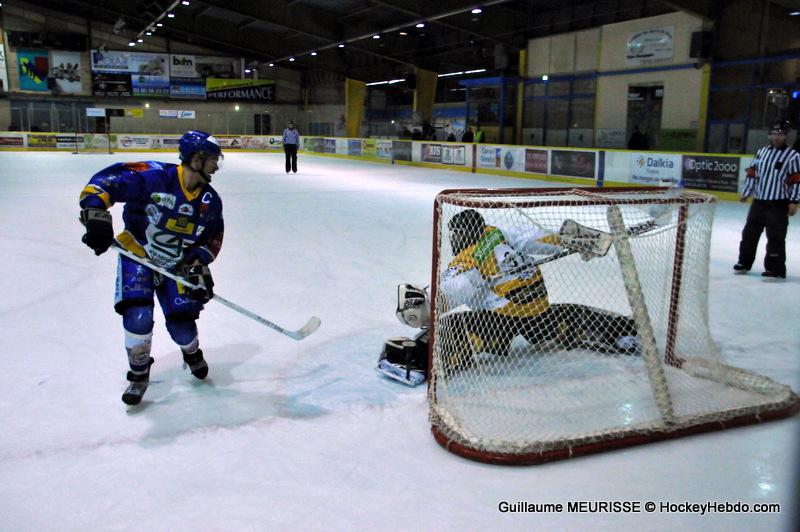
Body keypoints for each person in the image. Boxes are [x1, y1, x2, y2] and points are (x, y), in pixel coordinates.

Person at [378, 209, 640, 385]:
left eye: (457, 235)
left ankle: (421, 362)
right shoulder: (499, 232)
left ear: (466, 234)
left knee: (450, 325)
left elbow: (456, 291)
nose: (455, 239)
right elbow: (538, 239)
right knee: (567, 312)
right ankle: (622, 332)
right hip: (537, 310)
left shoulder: (467, 260)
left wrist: (422, 309)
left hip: (503, 320)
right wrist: (570, 240)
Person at [79, 130, 224, 405]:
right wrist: (96, 212)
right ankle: (138, 372)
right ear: (196, 160)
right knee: (138, 315)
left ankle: (191, 351)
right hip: (138, 254)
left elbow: (213, 236)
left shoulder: (210, 202)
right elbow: (106, 182)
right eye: (213, 160)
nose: (216, 166)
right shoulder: (153, 175)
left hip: (175, 264)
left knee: (182, 326)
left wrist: (198, 264)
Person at [734, 121, 800, 280]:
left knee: (776, 236)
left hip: (778, 203)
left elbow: (796, 180)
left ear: (785, 136)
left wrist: (794, 201)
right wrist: (746, 192)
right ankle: (744, 262)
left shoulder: (793, 156)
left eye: (780, 134)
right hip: (759, 201)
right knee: (749, 233)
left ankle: (775, 269)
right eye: (774, 133)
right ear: (769, 135)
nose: (777, 137)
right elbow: (752, 172)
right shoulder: (761, 152)